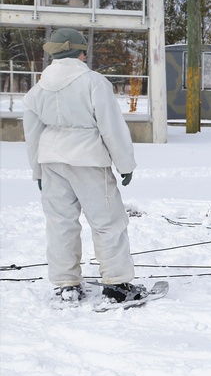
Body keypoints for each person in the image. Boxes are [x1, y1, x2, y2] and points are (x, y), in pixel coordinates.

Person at [22, 27, 146, 305]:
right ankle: (117, 285)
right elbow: (111, 127)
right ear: (81, 52)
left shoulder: (37, 90)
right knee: (107, 222)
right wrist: (125, 163)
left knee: (60, 223)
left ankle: (67, 284)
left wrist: (37, 170)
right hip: (89, 160)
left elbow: (32, 136)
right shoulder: (94, 82)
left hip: (51, 160)